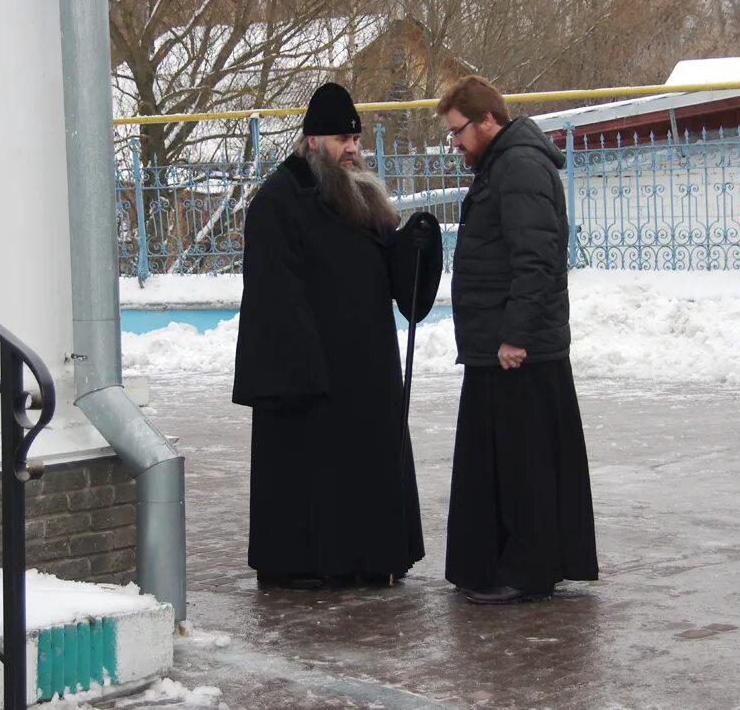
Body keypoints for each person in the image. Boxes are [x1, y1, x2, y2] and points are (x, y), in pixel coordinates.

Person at [232, 82, 443, 588]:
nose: (351, 148)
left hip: (368, 371)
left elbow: (393, 277)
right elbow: (273, 293)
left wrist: (415, 246)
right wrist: (304, 366)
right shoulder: (279, 201)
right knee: (314, 482)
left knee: (364, 472)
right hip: (314, 377)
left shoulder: (363, 194)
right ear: (311, 140)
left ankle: (373, 557)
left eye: (355, 138)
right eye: (340, 139)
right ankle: (306, 565)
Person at [436, 75, 598, 604]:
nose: (454, 143)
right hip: (500, 347)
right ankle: (507, 564)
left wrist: (514, 335)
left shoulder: (519, 166)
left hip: (517, 352)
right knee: (505, 461)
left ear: (488, 120)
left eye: (458, 131)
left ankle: (523, 571)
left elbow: (537, 258)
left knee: (523, 466)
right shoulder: (502, 164)